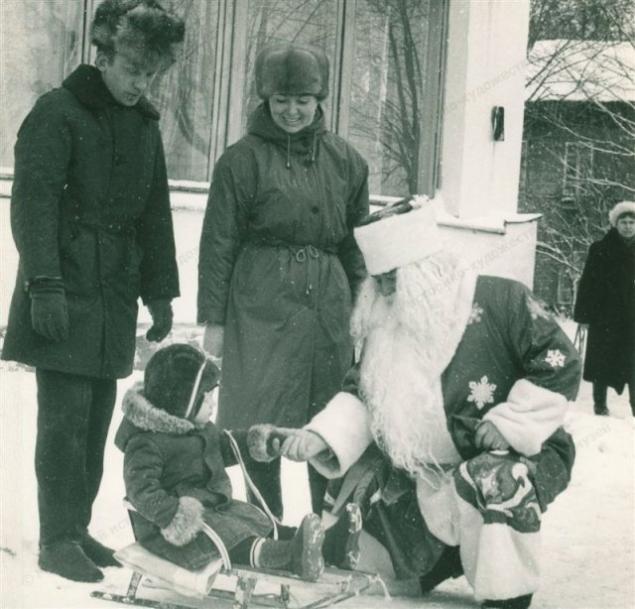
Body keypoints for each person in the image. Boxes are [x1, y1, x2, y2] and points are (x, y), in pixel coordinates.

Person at [256, 198, 581, 609]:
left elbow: (560, 361)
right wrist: (318, 437)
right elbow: (363, 395)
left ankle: (507, 591)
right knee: (361, 566)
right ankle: (441, 558)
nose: (385, 291)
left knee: (494, 477)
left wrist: (512, 421)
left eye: (394, 279)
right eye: (378, 281)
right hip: (425, 474)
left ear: (427, 270)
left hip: (510, 455)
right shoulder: (385, 327)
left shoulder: (502, 300)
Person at [1, 0, 183, 583]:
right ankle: (55, 537)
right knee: (63, 420)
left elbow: (154, 212)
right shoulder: (57, 111)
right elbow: (32, 203)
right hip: (62, 287)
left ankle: (77, 529)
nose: (140, 83)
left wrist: (160, 292)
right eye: (132, 69)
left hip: (113, 295)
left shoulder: (144, 124)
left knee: (96, 418)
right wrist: (44, 284)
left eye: (150, 73)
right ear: (101, 56)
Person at [197, 43, 369, 519]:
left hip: (328, 306)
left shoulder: (347, 162)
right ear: (265, 100)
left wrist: (364, 310)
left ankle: (327, 526)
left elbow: (357, 246)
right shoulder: (240, 160)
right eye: (281, 100)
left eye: (303, 100)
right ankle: (263, 524)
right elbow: (218, 242)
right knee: (259, 415)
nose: (292, 111)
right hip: (260, 302)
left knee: (328, 413)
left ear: (320, 100)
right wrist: (214, 319)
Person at [114, 343, 326, 582]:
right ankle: (287, 556)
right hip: (168, 531)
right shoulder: (146, 443)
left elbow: (225, 445)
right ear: (183, 402)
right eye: (206, 400)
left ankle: (314, 544)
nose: (213, 404)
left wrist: (261, 442)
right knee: (226, 534)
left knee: (250, 517)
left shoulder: (199, 427)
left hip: (213, 508)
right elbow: (140, 491)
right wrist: (174, 514)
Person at [574, 201, 635, 416]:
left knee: (633, 362)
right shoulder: (600, 249)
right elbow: (588, 283)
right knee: (602, 359)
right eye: (624, 222)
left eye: (632, 222)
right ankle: (600, 404)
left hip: (632, 319)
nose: (628, 226)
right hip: (605, 317)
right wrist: (583, 315)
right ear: (615, 224)